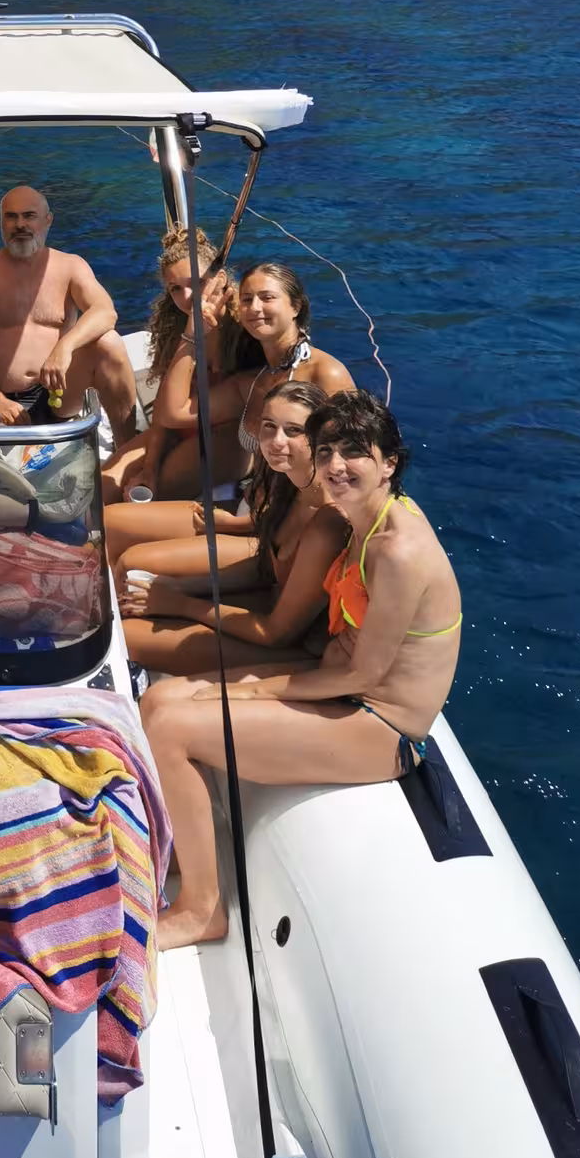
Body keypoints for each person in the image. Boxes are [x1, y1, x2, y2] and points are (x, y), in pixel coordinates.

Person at [141, 389, 462, 949]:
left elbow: (362, 676)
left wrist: (256, 690)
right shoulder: (363, 522)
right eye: (328, 450)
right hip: (340, 693)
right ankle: (174, 856)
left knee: (173, 727)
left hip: (378, 726)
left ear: (389, 463)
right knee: (159, 703)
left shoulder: (398, 551)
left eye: (355, 452)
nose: (337, 465)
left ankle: (201, 910)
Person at [103, 258, 354, 564]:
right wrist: (191, 337)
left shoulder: (326, 374)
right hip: (249, 510)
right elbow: (173, 412)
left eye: (268, 297)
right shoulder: (254, 381)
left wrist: (240, 524)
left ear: (296, 307)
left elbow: (345, 470)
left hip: (283, 533)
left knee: (130, 556)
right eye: (247, 299)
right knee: (111, 521)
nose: (255, 307)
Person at [119, 383, 343, 674]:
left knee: (129, 636)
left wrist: (180, 603)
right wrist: (178, 586)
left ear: (320, 437)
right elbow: (266, 566)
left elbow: (277, 633)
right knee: (134, 586)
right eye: (269, 426)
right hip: (272, 603)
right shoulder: (289, 483)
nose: (276, 441)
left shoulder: (326, 524)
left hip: (300, 651)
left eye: (293, 430)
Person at [0, 185, 138, 444]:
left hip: (56, 396)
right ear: (1, 222)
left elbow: (105, 312)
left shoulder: (70, 266)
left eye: (29, 216)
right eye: (11, 216)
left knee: (110, 343)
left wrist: (64, 348)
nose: (20, 224)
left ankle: (126, 450)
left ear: (47, 220)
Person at [104, 226, 249, 501]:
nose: (186, 298)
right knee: (104, 488)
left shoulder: (246, 329)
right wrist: (149, 466)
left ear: (220, 280)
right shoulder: (177, 329)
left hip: (228, 441)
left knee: (154, 496)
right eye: (175, 289)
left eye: (196, 283)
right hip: (177, 429)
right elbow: (164, 414)